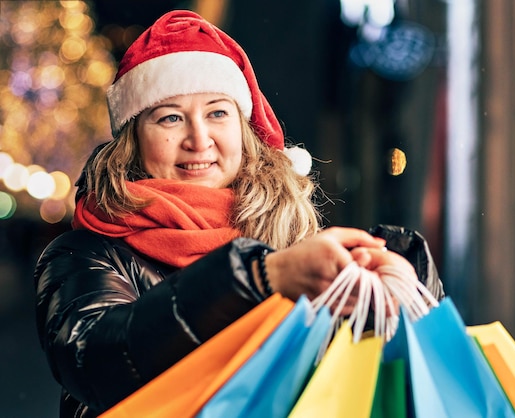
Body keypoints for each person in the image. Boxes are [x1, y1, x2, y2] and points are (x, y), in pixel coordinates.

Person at [34, 9, 444, 417]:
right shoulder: (83, 252)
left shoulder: (291, 234)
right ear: (134, 140)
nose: (199, 139)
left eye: (217, 113)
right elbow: (95, 361)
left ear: (244, 131)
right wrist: (258, 278)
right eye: (171, 118)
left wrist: (400, 279)